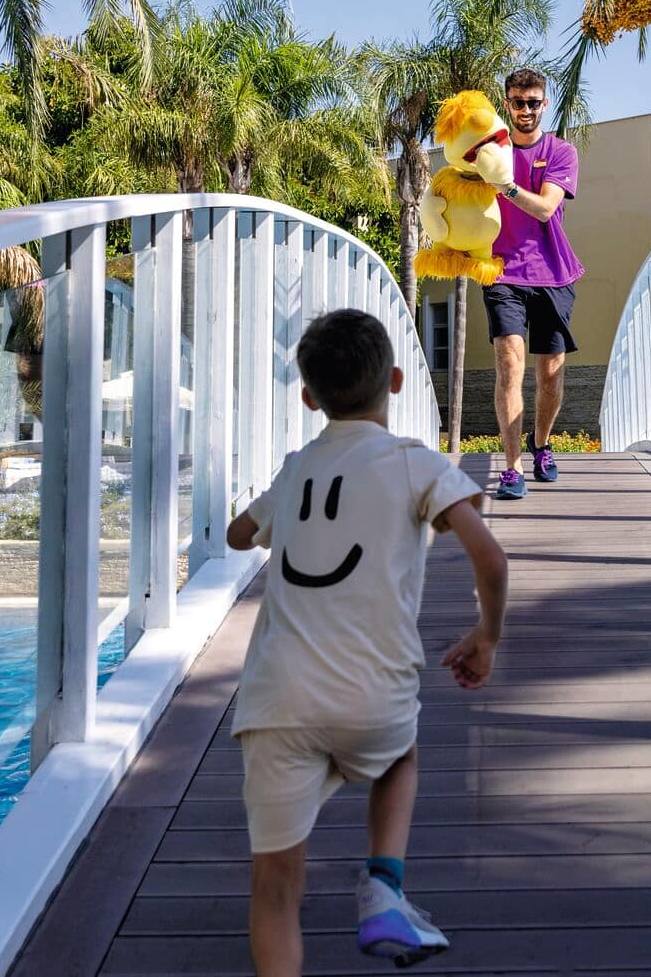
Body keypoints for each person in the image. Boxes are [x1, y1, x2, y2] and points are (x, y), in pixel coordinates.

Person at [227, 309, 509, 975]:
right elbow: (491, 559)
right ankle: (384, 882)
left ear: (308, 397)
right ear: (399, 379)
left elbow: (241, 535)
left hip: (275, 706)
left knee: (274, 889)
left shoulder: (297, 469)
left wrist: (255, 514)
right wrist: (486, 636)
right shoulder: (415, 463)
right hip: (374, 700)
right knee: (399, 753)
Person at [484, 67, 584, 500]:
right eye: (517, 101)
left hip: (553, 272)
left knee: (550, 376)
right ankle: (511, 468)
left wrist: (504, 187)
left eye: (533, 102)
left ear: (544, 104)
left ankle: (541, 445)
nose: (525, 109)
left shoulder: (561, 151)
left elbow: (545, 209)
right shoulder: (487, 152)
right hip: (501, 272)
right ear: (506, 103)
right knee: (509, 363)